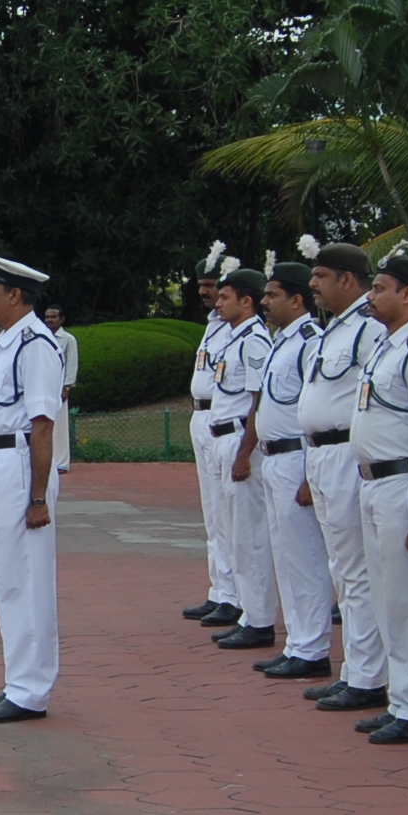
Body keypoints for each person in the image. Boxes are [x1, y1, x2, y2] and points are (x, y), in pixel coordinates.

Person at [0, 256, 66, 721]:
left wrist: (38, 497)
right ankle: (17, 680)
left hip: (18, 465)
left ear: (16, 295)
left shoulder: (36, 344)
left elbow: (43, 425)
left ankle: (31, 690)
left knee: (27, 578)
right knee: (6, 577)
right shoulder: (5, 342)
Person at [352, 248, 408, 747]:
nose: (371, 296)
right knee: (385, 594)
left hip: (400, 482)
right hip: (372, 481)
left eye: (380, 288)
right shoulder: (387, 344)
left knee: (406, 600)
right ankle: (401, 698)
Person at [297, 243, 385, 710]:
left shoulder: (369, 328)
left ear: (348, 279)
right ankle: (355, 668)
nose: (313, 284)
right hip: (322, 456)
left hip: (347, 453)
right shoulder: (334, 330)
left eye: (321, 276)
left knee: (357, 570)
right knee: (342, 570)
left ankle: (368, 677)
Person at [249, 260, 332, 681]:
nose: (264, 302)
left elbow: (312, 409)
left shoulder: (310, 341)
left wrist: (308, 475)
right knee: (285, 555)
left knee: (306, 557)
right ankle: (298, 642)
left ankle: (313, 647)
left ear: (296, 300)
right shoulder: (281, 341)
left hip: (296, 457)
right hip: (273, 459)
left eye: (272, 295)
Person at [208, 268, 280, 654]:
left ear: (246, 301)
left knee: (250, 536)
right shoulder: (233, 338)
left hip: (240, 439)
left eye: (225, 297)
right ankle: (248, 613)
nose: (218, 304)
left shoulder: (254, 341)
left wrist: (245, 453)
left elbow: (258, 401)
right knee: (233, 532)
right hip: (222, 438)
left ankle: (260, 620)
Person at [179, 251, 244, 629]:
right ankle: (220, 588)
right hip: (202, 417)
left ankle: (235, 595)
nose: (205, 293)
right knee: (212, 512)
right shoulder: (212, 325)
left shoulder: (239, 328)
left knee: (228, 513)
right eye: (202, 286)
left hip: (223, 420)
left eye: (211, 286)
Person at [45, 304, 81, 472]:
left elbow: (71, 364)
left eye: (53, 317)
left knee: (59, 426)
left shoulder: (68, 339)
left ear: (62, 319)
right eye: (47, 317)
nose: (50, 320)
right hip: (42, 386)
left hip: (59, 387)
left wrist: (67, 387)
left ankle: (61, 463)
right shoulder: (41, 337)